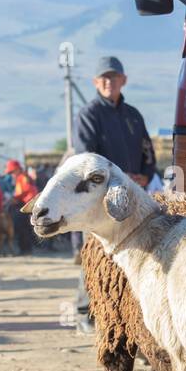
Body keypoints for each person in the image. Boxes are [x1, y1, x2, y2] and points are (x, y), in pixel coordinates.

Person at [71, 56, 156, 329]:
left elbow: (147, 149)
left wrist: (146, 172)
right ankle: (86, 312)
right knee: (95, 252)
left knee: (132, 252)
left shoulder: (133, 115)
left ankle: (126, 317)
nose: (110, 82)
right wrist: (115, 179)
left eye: (114, 77)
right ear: (96, 83)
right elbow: (86, 157)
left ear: (124, 80)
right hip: (98, 200)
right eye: (104, 78)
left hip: (132, 197)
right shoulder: (88, 115)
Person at [5, 159, 37, 256]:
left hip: (26, 206)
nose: (11, 174)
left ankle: (25, 250)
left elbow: (25, 192)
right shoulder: (24, 177)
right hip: (27, 205)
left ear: (18, 169)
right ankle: (26, 249)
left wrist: (12, 199)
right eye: (10, 173)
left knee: (22, 228)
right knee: (25, 229)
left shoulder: (22, 178)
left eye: (12, 172)